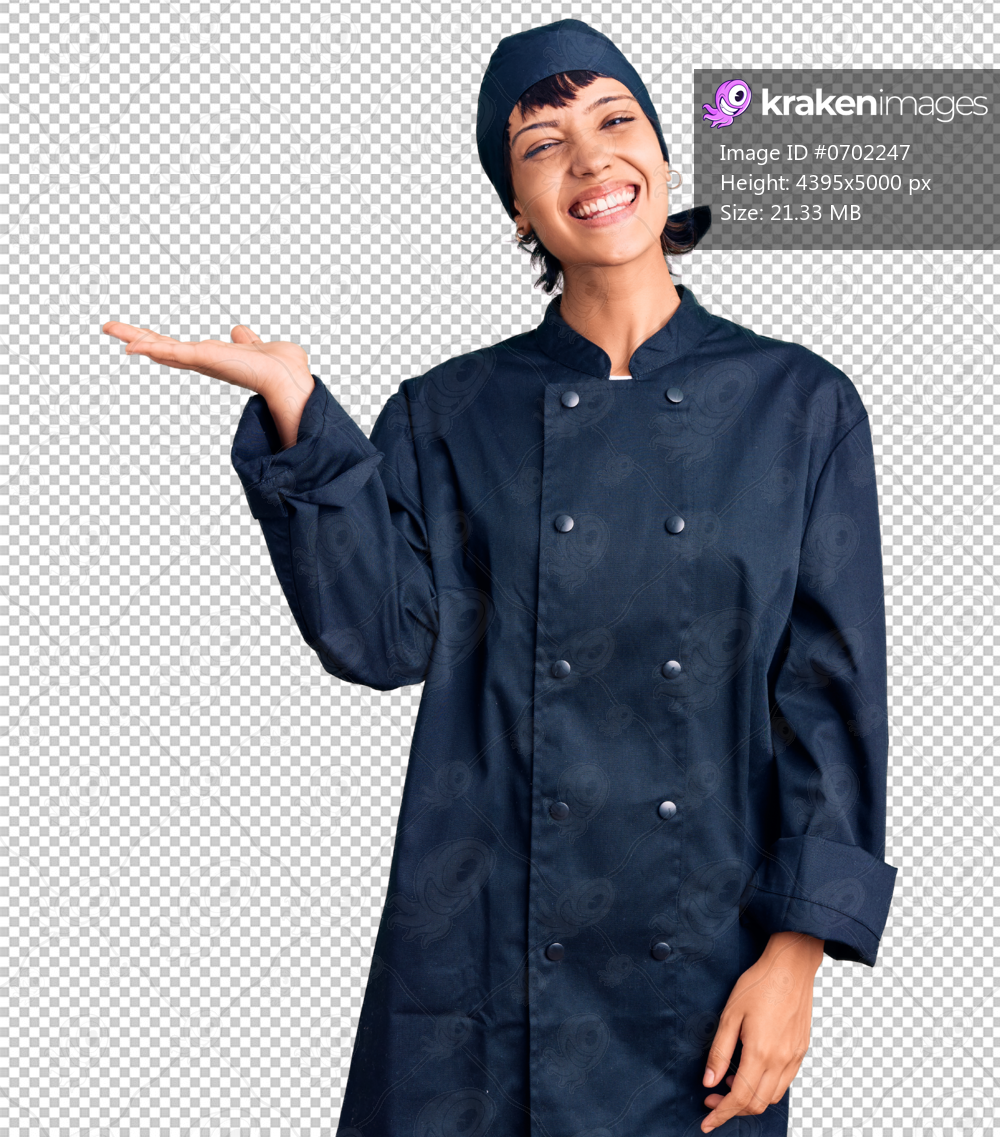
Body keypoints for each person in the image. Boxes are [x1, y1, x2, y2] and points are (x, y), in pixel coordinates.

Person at [103, 18, 897, 1137]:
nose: (590, 158)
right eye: (542, 144)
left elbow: (828, 698)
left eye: (615, 120)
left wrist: (796, 955)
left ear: (664, 155)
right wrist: (297, 411)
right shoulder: (449, 410)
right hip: (481, 959)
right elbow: (380, 637)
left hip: (703, 960)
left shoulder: (800, 404)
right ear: (516, 206)